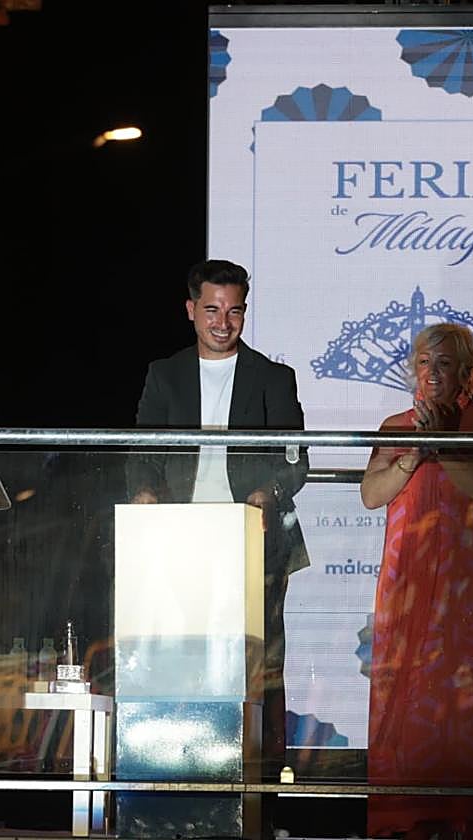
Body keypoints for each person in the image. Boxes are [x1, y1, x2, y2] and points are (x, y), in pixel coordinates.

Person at [127, 258, 309, 782]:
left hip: (253, 539)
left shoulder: (274, 377)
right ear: (191, 310)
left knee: (258, 664)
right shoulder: (165, 374)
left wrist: (268, 492)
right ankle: (176, 770)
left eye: (234, 312)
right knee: (180, 657)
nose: (222, 323)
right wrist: (143, 491)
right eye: (211, 310)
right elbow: (139, 450)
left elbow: (297, 460)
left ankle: (263, 777)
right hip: (179, 540)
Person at [360, 322, 473, 840]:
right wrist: (415, 451)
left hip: (468, 579)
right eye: (424, 362)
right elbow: (372, 494)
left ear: (463, 370)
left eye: (444, 364)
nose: (432, 373)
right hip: (409, 572)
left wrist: (443, 442)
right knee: (407, 682)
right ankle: (408, 808)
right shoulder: (395, 425)